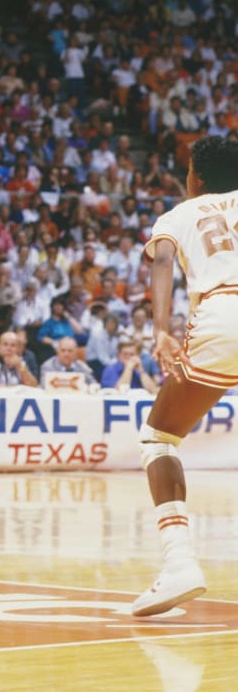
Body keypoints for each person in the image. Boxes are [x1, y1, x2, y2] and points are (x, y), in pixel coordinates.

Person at [131, 136, 238, 617]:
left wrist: (160, 329)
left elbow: (163, 263)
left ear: (194, 177)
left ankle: (179, 564)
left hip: (221, 316)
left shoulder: (178, 215)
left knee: (159, 439)